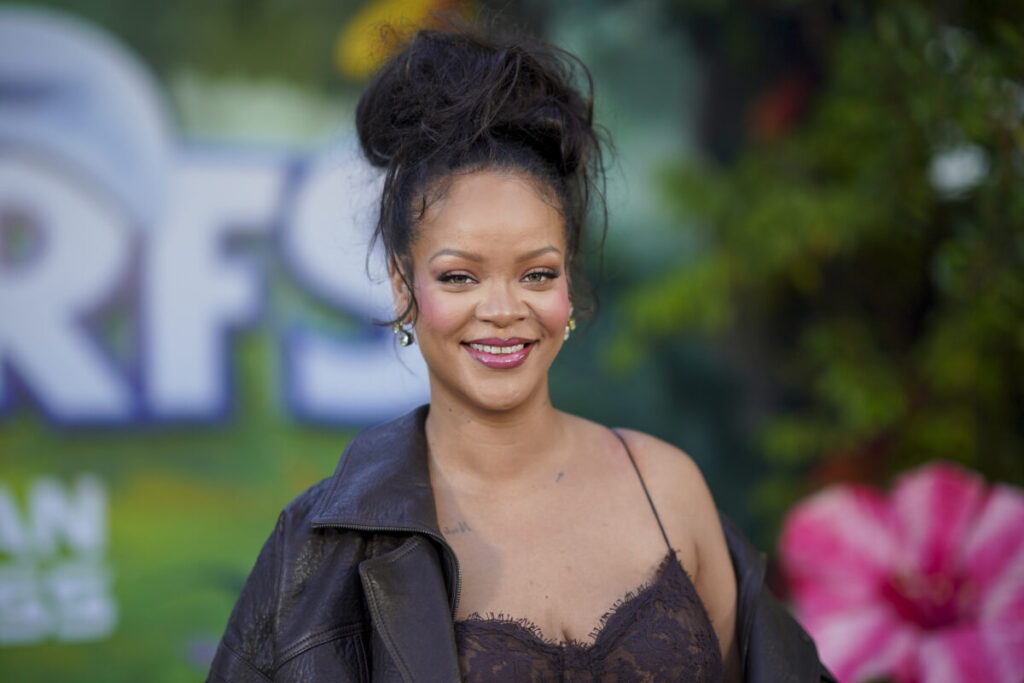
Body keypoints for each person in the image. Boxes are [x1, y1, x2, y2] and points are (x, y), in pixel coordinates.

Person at [208, 26, 833, 683]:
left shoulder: (667, 487)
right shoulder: (324, 551)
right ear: (403, 287)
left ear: (569, 285)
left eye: (536, 274)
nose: (503, 309)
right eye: (460, 277)